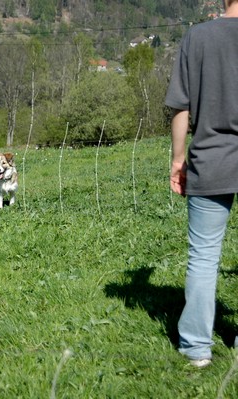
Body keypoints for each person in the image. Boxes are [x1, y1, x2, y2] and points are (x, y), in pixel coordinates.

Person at [166, 0, 238, 368]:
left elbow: (181, 105)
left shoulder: (199, 37)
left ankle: (196, 348)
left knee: (205, 257)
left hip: (210, 160)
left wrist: (179, 159)